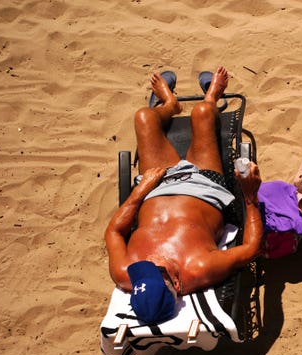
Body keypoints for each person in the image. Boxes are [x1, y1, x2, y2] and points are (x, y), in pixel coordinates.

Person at [105, 66, 263, 322]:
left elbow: (113, 231)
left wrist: (140, 191)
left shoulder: (126, 274)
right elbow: (251, 248)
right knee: (202, 113)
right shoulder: (199, 268)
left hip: (154, 187)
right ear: (176, 285)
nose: (152, 260)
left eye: (144, 270)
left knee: (144, 117)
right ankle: (212, 99)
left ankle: (169, 105)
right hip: (203, 185)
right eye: (157, 269)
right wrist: (250, 195)